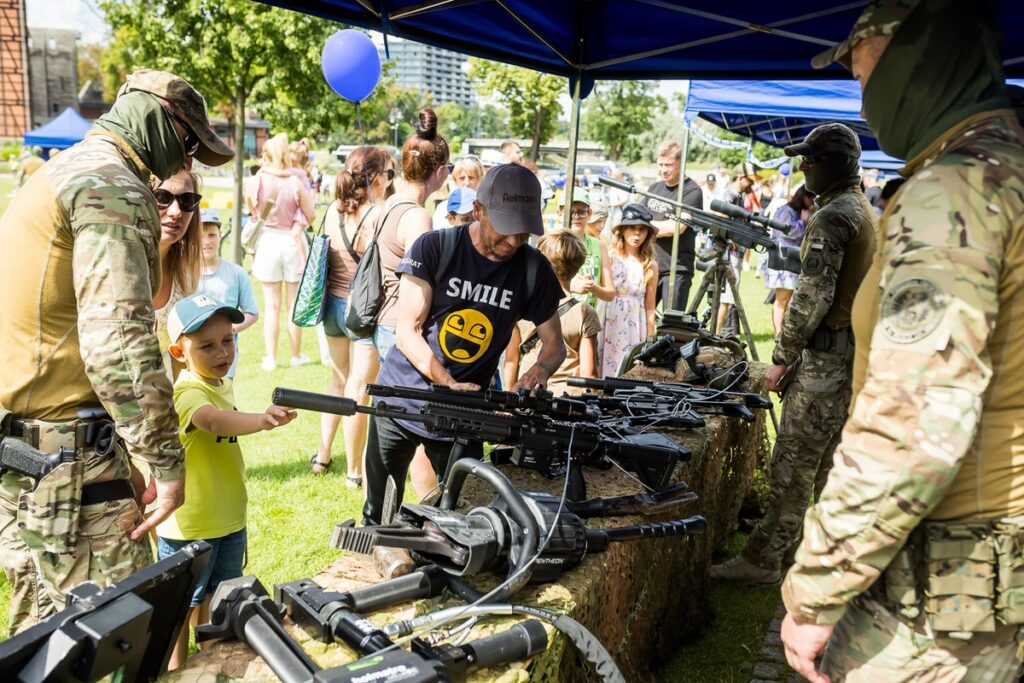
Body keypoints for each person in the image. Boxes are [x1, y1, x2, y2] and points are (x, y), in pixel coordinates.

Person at [779, 3, 1024, 681]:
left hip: (950, 594)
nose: (864, 100)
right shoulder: (1006, 167)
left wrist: (816, 588)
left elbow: (917, 420)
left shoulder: (955, 188)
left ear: (910, 62)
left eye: (864, 78)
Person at [0, 68, 234, 634]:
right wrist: (166, 462)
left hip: (29, 457)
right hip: (72, 469)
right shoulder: (112, 186)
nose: (186, 159)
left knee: (45, 645)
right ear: (161, 119)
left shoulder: (59, 172)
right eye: (187, 142)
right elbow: (121, 348)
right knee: (111, 641)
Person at [711, 123, 876, 589]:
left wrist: (782, 356)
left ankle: (763, 561)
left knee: (793, 466)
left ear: (834, 164)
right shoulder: (861, 209)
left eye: (811, 158)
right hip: (851, 358)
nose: (802, 165)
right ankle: (818, 551)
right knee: (825, 465)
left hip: (827, 362)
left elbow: (811, 296)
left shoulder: (832, 218)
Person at [362, 163, 565, 525]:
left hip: (467, 410)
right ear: (478, 210)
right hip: (402, 398)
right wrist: (446, 381)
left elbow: (555, 346)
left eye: (523, 233)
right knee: (378, 513)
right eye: (505, 231)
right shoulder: (435, 247)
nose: (513, 242)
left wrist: (538, 371)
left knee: (468, 513)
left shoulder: (533, 268)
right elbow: (408, 330)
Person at [159, 294, 296, 669]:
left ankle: (210, 666)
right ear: (179, 352)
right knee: (181, 607)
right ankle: (175, 671)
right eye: (206, 346)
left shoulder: (219, 382)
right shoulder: (188, 391)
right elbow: (214, 421)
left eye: (228, 340)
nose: (222, 352)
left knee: (222, 600)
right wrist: (261, 420)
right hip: (190, 527)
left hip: (228, 520)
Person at [374, 109, 453, 498]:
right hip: (403, 331)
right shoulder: (419, 217)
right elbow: (424, 284)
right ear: (438, 172)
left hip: (384, 324)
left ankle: (411, 507)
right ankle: (426, 506)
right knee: (417, 426)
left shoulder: (387, 204)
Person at [314, 146, 394, 483]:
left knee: (338, 382)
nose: (392, 181)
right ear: (375, 178)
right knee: (359, 389)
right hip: (361, 312)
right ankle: (354, 471)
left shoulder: (333, 209)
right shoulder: (377, 214)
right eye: (390, 174)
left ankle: (322, 456)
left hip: (331, 307)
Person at [246, 132, 317, 372]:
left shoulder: (258, 179)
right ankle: (296, 355)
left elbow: (251, 206)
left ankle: (271, 358)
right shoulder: (295, 182)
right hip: (290, 243)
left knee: (271, 306)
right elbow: (311, 214)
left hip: (268, 240)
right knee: (292, 305)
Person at [504, 230, 600, 394]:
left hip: (528, 395)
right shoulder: (584, 311)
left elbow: (511, 360)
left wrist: (509, 395)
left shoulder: (523, 305)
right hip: (568, 401)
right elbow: (588, 374)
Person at [640, 141, 704, 312]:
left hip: (676, 270)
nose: (663, 169)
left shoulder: (692, 191)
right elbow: (636, 220)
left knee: (671, 325)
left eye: (668, 165)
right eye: (660, 164)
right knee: (641, 320)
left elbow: (676, 228)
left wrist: (646, 226)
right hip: (649, 265)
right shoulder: (654, 188)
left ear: (681, 164)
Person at [152, 169, 203, 380]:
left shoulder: (186, 275)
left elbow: (181, 356)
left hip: (164, 397)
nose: (175, 211)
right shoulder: (114, 266)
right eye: (162, 198)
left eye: (186, 200)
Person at [196, 210, 259, 379]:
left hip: (225, 357)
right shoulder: (185, 272)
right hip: (193, 357)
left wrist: (229, 330)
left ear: (220, 235)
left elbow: (252, 312)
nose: (206, 242)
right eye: (200, 236)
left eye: (211, 235)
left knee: (224, 400)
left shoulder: (236, 273)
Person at [601, 203, 659, 378]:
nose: (637, 234)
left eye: (642, 229)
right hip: (610, 318)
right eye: (632, 228)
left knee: (630, 368)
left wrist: (650, 336)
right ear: (622, 230)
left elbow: (650, 305)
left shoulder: (650, 264)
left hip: (636, 322)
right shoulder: (611, 256)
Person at [763, 185, 814, 333]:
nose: (813, 202)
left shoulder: (800, 212)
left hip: (793, 260)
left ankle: (785, 332)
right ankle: (779, 333)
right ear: (805, 197)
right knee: (782, 300)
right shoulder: (786, 211)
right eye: (811, 199)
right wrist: (803, 223)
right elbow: (787, 231)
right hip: (783, 261)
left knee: (790, 300)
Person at [563, 189, 615, 312]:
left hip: (588, 320)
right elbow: (542, 287)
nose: (576, 217)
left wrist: (592, 287)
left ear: (589, 213)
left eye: (581, 212)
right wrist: (572, 286)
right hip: (559, 318)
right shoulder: (550, 244)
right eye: (571, 212)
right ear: (560, 212)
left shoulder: (600, 246)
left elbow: (610, 293)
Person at [431, 155, 483, 229]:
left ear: (479, 179)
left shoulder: (487, 206)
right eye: (462, 178)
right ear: (455, 181)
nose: (467, 182)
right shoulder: (443, 208)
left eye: (471, 178)